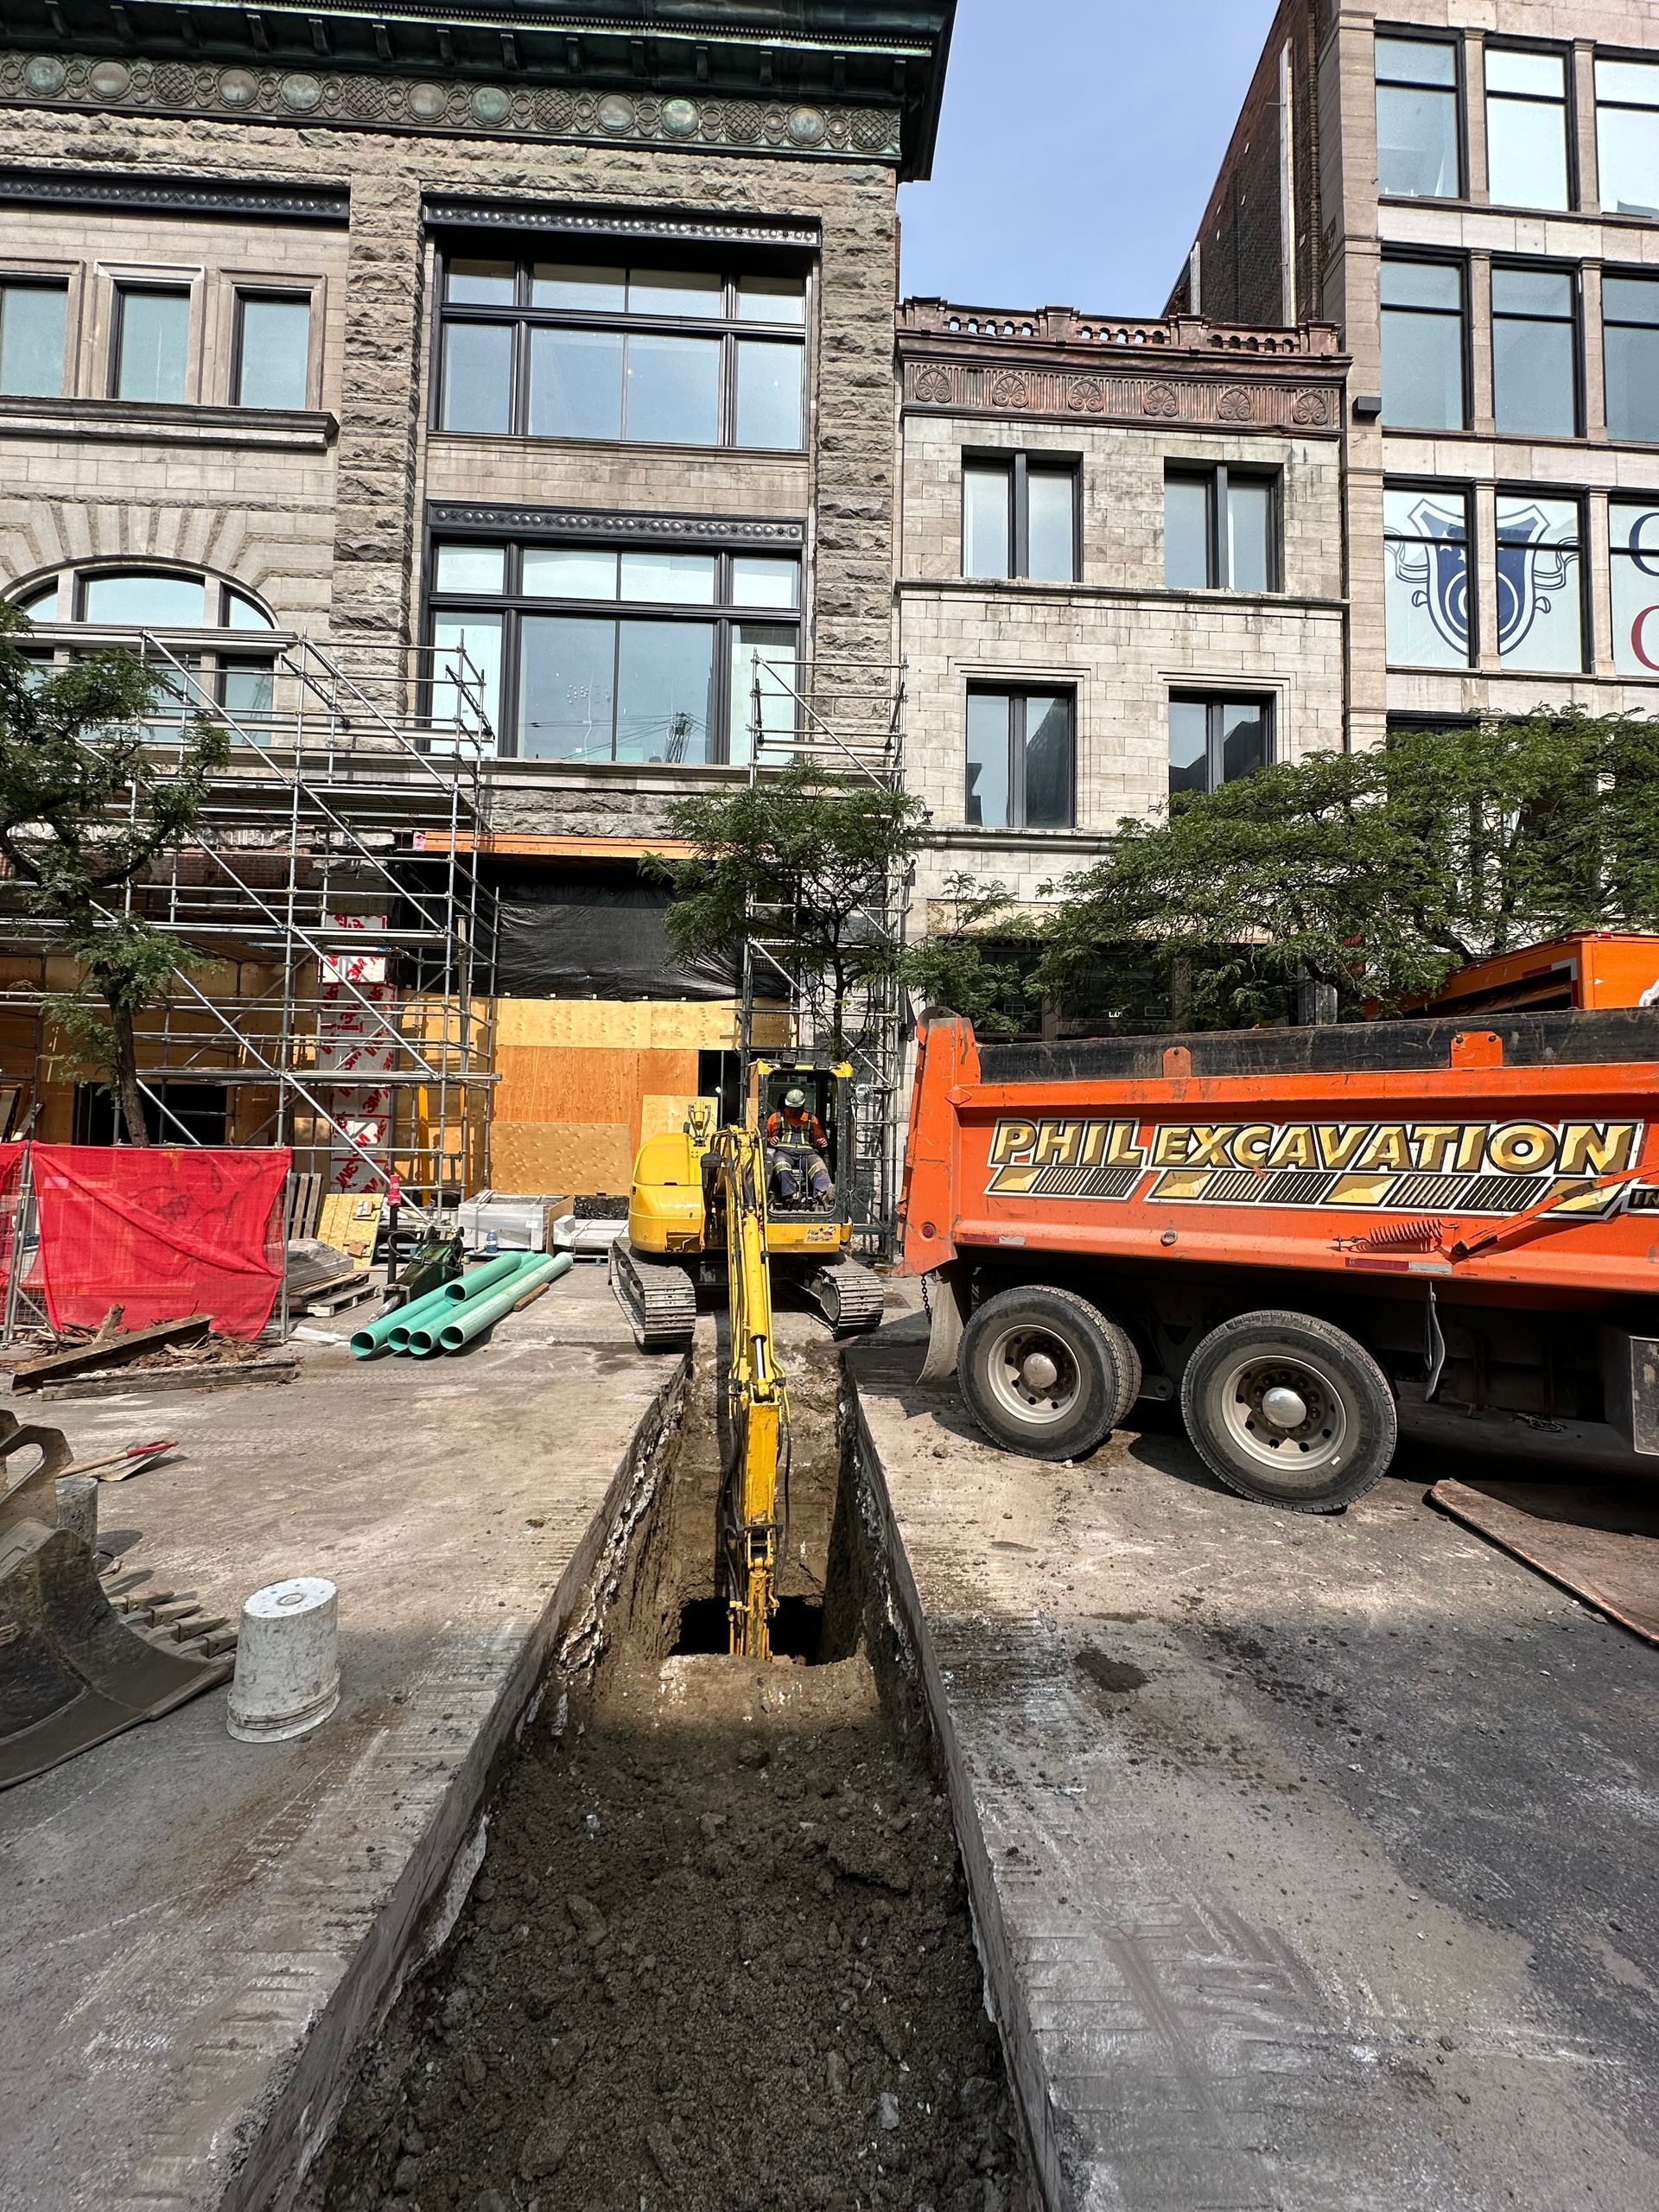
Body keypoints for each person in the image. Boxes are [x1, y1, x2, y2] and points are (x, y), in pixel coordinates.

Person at [765, 1085, 833, 1208]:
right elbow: (764, 1137)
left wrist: (821, 1142)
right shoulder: (775, 1118)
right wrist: (770, 1139)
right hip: (784, 1152)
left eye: (796, 1108)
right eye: (790, 1108)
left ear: (802, 1106)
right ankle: (793, 1195)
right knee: (780, 1164)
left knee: (819, 1167)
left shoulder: (812, 1119)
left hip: (808, 1153)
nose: (793, 1111)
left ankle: (825, 1194)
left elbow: (819, 1139)